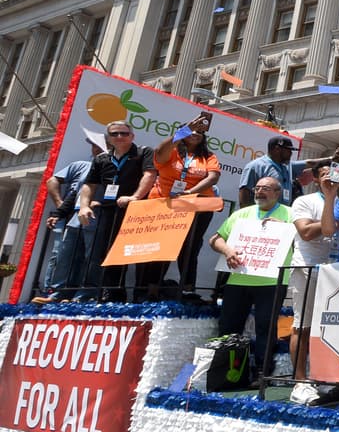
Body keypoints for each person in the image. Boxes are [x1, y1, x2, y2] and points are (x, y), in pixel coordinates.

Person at [209, 176, 293, 378]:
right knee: (229, 326)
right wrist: (228, 251)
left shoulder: (290, 214)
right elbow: (215, 239)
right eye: (257, 188)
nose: (259, 191)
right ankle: (225, 372)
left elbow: (303, 241)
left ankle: (262, 373)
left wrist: (283, 228)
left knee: (265, 327)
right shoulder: (242, 214)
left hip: (272, 281)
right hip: (239, 279)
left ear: (278, 193)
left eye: (266, 188)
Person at [138, 113, 221, 301]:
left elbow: (213, 178)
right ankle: (151, 291)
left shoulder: (208, 156)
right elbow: (159, 152)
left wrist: (190, 192)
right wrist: (184, 130)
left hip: (197, 205)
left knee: (190, 248)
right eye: (192, 130)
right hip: (166, 205)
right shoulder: (172, 151)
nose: (196, 134)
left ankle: (188, 291)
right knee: (162, 247)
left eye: (200, 132)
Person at [77, 121, 158, 301]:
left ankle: (141, 294)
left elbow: (150, 175)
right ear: (109, 138)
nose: (119, 136)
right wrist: (84, 206)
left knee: (141, 252)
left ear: (132, 136)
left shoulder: (144, 152)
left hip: (138, 210)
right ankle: (113, 293)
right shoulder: (101, 159)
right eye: (114, 134)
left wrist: (135, 197)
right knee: (110, 252)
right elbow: (90, 184)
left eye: (124, 133)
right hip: (110, 211)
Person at [287, 164, 339, 405]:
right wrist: (334, 220)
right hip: (307, 268)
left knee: (331, 328)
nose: (328, 177)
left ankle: (324, 377)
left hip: (336, 271)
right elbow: (306, 232)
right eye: (323, 174)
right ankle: (300, 382)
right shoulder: (305, 201)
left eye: (333, 173)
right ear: (316, 180)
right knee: (303, 325)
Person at [32, 153, 95, 303]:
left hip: (96, 217)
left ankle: (82, 295)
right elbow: (75, 193)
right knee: (63, 255)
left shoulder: (112, 166)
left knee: (90, 257)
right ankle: (57, 293)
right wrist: (60, 211)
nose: (95, 149)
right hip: (74, 217)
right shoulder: (83, 166)